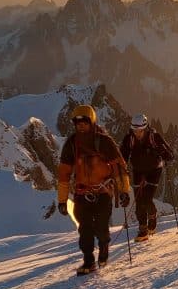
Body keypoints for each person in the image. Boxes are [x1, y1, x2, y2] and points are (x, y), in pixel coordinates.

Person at [56, 104, 131, 274]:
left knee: (101, 227)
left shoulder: (104, 141)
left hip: (103, 192)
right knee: (85, 229)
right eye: (77, 122)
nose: (80, 124)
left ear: (91, 121)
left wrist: (124, 190)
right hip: (82, 194)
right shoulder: (71, 144)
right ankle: (88, 261)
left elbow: (119, 167)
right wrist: (62, 200)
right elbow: (64, 174)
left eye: (84, 121)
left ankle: (104, 248)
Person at [119, 113, 174, 242]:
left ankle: (152, 214)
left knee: (147, 198)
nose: (137, 133)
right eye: (135, 130)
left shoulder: (154, 137)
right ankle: (143, 230)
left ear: (145, 128)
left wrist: (164, 154)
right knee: (139, 200)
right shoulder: (129, 139)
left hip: (154, 170)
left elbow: (170, 154)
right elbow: (122, 157)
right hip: (138, 170)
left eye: (140, 130)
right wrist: (121, 167)